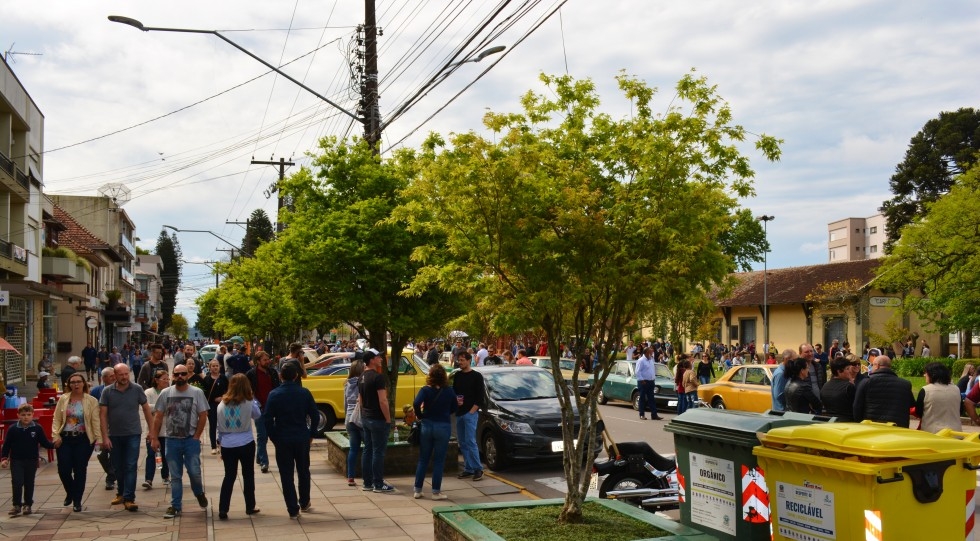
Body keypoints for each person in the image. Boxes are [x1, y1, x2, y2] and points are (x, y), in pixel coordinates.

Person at [150, 364, 211, 519]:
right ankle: (175, 506)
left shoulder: (196, 392)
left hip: (190, 439)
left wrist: (197, 436)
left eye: (183, 374)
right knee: (175, 476)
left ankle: (199, 493)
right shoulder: (166, 393)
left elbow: (203, 415)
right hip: (172, 440)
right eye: (177, 374)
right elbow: (158, 416)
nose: (180, 377)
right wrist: (154, 437)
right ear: (172, 375)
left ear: (187, 375)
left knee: (194, 472)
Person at [264, 362, 319, 518]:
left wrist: (274, 437)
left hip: (282, 437)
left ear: (281, 376)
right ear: (296, 376)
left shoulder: (274, 394)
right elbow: (315, 415)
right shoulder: (304, 393)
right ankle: (305, 501)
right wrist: (312, 433)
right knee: (303, 470)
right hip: (301, 436)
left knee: (286, 474)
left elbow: (267, 419)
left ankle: (292, 508)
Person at [100, 363, 154, 512]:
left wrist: (152, 431)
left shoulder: (136, 389)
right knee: (118, 467)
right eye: (121, 375)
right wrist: (104, 436)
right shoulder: (107, 391)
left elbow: (146, 410)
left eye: (126, 374)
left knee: (130, 466)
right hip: (114, 435)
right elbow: (103, 415)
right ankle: (121, 493)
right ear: (114, 376)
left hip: (133, 434)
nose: (124, 377)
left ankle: (129, 498)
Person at [215, 374, 262, 520]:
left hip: (228, 444)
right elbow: (258, 415)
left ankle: (223, 508)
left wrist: (219, 443)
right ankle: (250, 506)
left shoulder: (222, 404)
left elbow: (219, 427)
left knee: (229, 476)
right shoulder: (249, 402)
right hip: (246, 442)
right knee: (248, 475)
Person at [54, 372, 102, 512]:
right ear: (69, 385)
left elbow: (95, 421)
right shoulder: (63, 399)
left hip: (83, 439)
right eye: (73, 382)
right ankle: (70, 492)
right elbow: (56, 419)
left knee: (80, 470)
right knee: (63, 469)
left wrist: (98, 439)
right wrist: (55, 435)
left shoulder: (91, 400)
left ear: (84, 384)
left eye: (78, 382)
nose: (76, 384)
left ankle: (77, 500)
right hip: (65, 438)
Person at [2, 403, 57, 516]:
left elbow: (44, 442)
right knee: (17, 482)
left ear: (32, 415)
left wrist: (55, 445)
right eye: (23, 415)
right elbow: (7, 445)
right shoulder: (13, 429)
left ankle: (28, 504)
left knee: (29, 482)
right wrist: (4, 458)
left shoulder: (37, 428)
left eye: (28, 414)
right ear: (18, 415)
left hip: (31, 460)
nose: (25, 417)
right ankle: (16, 505)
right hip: (16, 460)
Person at [412, 364, 457, 500]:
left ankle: (418, 490)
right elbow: (454, 407)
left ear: (430, 376)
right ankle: (436, 492)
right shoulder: (449, 391)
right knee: (439, 460)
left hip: (427, 425)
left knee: (423, 459)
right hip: (443, 426)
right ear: (444, 376)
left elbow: (416, 403)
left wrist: (420, 415)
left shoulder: (425, 390)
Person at [360, 350, 396, 492]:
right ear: (371, 360)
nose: (381, 358)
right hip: (378, 419)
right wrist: (388, 419)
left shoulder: (362, 376)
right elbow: (383, 400)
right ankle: (379, 484)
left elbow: (360, 400)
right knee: (378, 452)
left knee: (368, 450)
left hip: (366, 418)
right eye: (378, 357)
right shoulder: (378, 378)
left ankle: (367, 483)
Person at [853, 355, 915, 427]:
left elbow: (857, 407)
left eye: (872, 365)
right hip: (898, 428)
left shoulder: (866, 382)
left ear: (877, 366)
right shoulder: (905, 384)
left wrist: (859, 423)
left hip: (872, 427)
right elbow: (911, 404)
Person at [453, 351, 486, 481]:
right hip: (459, 412)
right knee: (462, 442)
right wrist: (456, 402)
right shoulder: (457, 376)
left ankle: (478, 469)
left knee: (471, 441)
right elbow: (454, 392)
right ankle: (468, 468)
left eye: (462, 360)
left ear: (468, 360)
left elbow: (480, 397)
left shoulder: (477, 376)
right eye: (458, 360)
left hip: (470, 413)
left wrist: (472, 411)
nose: (460, 362)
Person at [246, 350, 280, 474]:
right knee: (262, 436)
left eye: (268, 359)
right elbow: (248, 389)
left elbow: (278, 387)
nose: (268, 361)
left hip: (272, 408)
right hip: (259, 409)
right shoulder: (251, 374)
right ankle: (264, 462)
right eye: (265, 360)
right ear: (258, 361)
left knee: (273, 435)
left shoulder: (273, 372)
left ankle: (259, 456)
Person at [90, 367, 119, 493]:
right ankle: (112, 473)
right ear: (104, 378)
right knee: (101, 454)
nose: (113, 378)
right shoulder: (97, 391)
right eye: (110, 376)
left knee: (113, 453)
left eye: (114, 375)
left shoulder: (119, 389)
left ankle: (110, 479)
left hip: (115, 426)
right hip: (100, 427)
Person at [143, 369, 171, 490]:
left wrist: (158, 409)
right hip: (151, 428)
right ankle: (148, 479)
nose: (166, 381)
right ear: (156, 380)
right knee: (151, 454)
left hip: (166, 428)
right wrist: (162, 407)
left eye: (167, 379)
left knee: (165, 455)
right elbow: (146, 407)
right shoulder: (149, 392)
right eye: (163, 379)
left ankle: (165, 476)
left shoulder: (170, 391)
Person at [915, 362, 961, 433]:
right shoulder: (956, 389)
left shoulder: (925, 390)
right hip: (956, 432)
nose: (924, 375)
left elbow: (918, 412)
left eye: (926, 373)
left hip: (932, 433)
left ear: (932, 375)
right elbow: (960, 410)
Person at [344, 360, 366, 487]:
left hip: (349, 418)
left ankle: (350, 477)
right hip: (360, 417)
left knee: (353, 449)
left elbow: (345, 404)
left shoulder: (347, 384)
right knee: (368, 448)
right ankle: (367, 476)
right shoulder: (362, 382)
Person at [202, 360, 229, 455]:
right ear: (210, 367)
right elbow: (204, 394)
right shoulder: (207, 379)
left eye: (217, 366)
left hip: (223, 404)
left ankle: (221, 444)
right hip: (211, 405)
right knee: (212, 425)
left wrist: (223, 398)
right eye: (213, 366)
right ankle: (213, 446)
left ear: (220, 367)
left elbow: (229, 390)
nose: (215, 367)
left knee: (222, 425)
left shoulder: (224, 378)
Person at [820, 357, 856, 421]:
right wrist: (852, 384)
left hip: (829, 421)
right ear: (839, 371)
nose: (850, 371)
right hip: (847, 422)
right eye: (847, 369)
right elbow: (856, 405)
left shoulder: (825, 385)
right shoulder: (848, 386)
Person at [635, 347, 663, 420]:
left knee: (651, 399)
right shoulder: (641, 360)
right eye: (650, 352)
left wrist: (653, 379)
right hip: (643, 382)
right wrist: (642, 380)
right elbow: (637, 371)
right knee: (642, 398)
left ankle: (654, 415)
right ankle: (642, 414)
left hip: (651, 381)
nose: (652, 353)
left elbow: (652, 370)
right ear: (646, 352)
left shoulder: (651, 359)